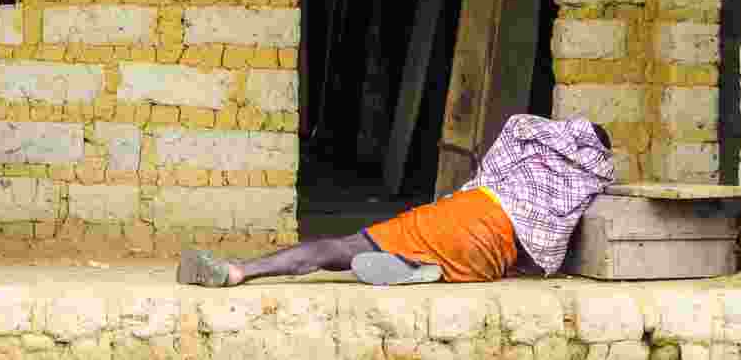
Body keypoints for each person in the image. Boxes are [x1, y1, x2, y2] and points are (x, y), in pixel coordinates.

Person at [176, 115, 614, 287]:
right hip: (491, 255)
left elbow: (515, 130)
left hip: (472, 214)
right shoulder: (583, 183)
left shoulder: (531, 149)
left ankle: (238, 272)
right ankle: (425, 270)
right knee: (454, 262)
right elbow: (548, 250)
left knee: (345, 248)